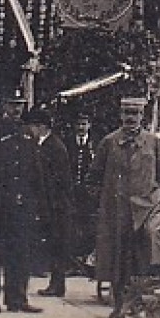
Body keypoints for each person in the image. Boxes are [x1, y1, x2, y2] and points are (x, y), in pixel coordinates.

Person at [87, 96, 160, 318]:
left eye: (134, 114)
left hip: (147, 210)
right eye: (126, 113)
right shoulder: (109, 142)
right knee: (118, 258)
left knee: (153, 241)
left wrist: (158, 199)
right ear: (120, 115)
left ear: (141, 116)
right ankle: (118, 304)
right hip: (117, 212)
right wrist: (104, 201)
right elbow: (93, 177)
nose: (130, 118)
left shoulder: (153, 143)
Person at [0, 96, 45, 314]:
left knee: (20, 252)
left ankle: (17, 299)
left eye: (20, 105)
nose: (17, 109)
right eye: (13, 104)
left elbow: (35, 171)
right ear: (3, 105)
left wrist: (36, 201)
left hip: (21, 204)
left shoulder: (27, 134)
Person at [23, 107, 71, 298]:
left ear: (41, 127)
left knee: (57, 245)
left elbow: (58, 181)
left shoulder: (55, 147)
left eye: (32, 127)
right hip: (48, 203)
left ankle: (57, 285)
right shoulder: (43, 145)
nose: (30, 131)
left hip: (56, 205)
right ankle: (54, 283)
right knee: (51, 244)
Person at [68, 113, 99, 277]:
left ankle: (86, 262)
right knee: (72, 227)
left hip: (88, 196)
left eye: (84, 124)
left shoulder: (95, 144)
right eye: (78, 124)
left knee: (88, 227)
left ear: (89, 125)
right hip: (72, 194)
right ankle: (73, 262)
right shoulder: (68, 143)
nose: (81, 127)